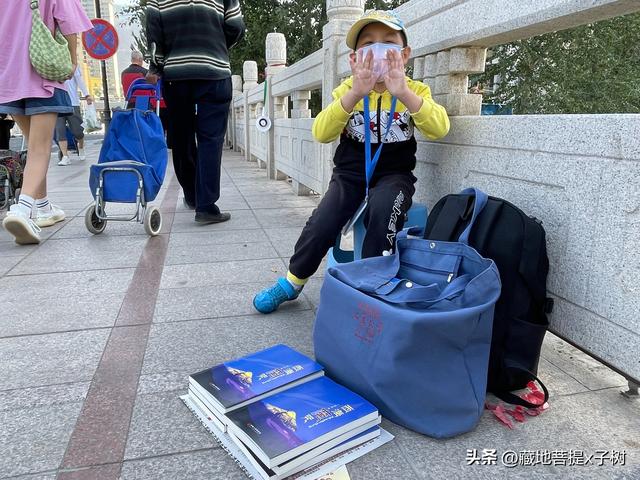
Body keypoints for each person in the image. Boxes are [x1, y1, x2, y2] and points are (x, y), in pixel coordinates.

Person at [253, 10, 450, 313]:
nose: (379, 50)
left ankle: (373, 288)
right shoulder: (348, 90)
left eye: (388, 43)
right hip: (349, 175)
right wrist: (356, 93)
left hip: (394, 176)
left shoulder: (416, 91)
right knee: (323, 221)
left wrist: (404, 92)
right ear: (355, 59)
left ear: (405, 54)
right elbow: (321, 132)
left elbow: (440, 128)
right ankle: (293, 281)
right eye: (368, 44)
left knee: (384, 211)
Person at [145, 0, 245, 224]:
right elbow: (236, 26)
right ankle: (206, 206)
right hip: (214, 70)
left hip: (176, 75)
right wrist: (215, 44)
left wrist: (158, 65)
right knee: (211, 139)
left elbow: (153, 35)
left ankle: (192, 195)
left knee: (182, 137)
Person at [0, 0, 92, 243]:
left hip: (8, 77)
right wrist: (73, 61)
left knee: (33, 145)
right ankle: (22, 210)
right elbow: (70, 25)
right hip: (42, 74)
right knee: (41, 148)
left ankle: (43, 206)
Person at [56, 67, 93, 166]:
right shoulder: (53, 65)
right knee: (60, 131)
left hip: (72, 103)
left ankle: (80, 146)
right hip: (57, 103)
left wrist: (87, 95)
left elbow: (80, 81)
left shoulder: (72, 65)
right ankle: (65, 156)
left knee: (78, 131)